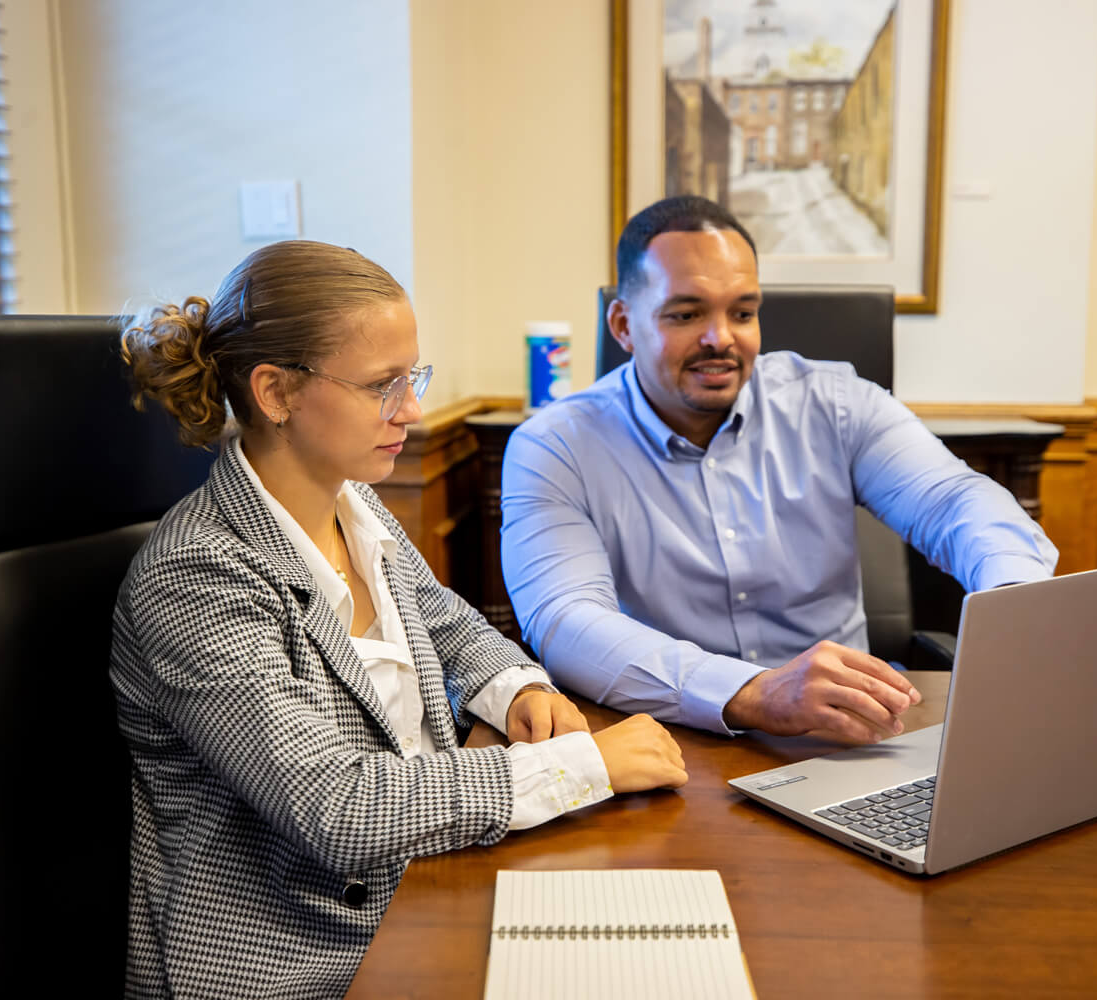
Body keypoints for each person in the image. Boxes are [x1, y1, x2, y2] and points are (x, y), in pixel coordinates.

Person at [112, 240, 686, 998]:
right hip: (301, 959)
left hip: (421, 891)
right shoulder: (195, 577)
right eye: (383, 385)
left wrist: (517, 690)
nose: (411, 411)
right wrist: (579, 769)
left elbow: (447, 622)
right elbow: (338, 808)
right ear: (276, 391)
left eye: (411, 378)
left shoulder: (352, 501)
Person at [500, 196, 1058, 746]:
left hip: (850, 733)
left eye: (742, 312)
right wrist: (754, 693)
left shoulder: (836, 403)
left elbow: (955, 500)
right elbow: (566, 620)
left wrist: (1012, 600)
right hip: (668, 742)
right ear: (623, 324)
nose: (721, 338)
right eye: (687, 313)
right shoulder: (555, 447)